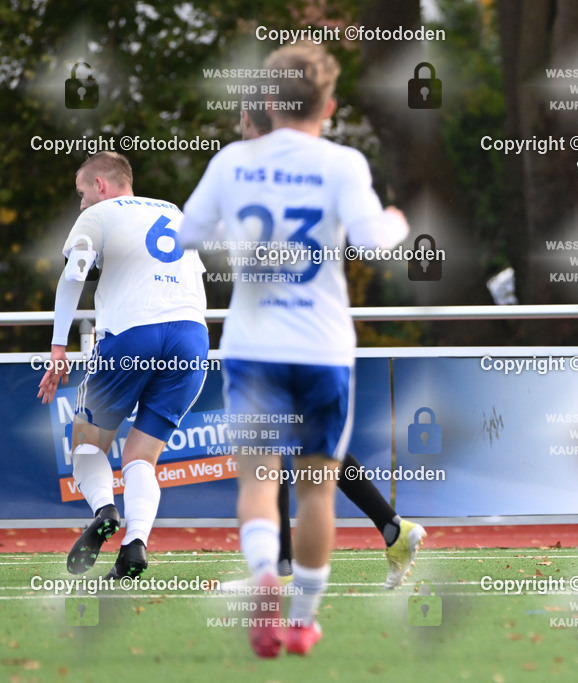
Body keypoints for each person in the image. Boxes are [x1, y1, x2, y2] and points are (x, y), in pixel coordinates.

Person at [179, 43, 418, 658]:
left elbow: (185, 235)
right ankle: (305, 620)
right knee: (317, 486)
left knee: (259, 479)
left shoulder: (233, 161)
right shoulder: (342, 163)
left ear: (267, 102)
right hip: (322, 346)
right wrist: (394, 217)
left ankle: (263, 574)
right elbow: (374, 244)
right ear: (330, 106)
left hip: (254, 345)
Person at [237, 92, 426, 588]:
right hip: (318, 337)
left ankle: (279, 568)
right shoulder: (319, 169)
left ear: (261, 124)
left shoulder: (251, 176)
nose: (239, 132)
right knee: (314, 446)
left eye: (243, 122)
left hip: (282, 337)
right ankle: (392, 527)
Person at [37, 151, 209, 579]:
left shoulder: (101, 214)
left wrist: (58, 347)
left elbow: (75, 273)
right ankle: (136, 546)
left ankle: (103, 509)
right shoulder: (176, 212)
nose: (80, 204)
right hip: (192, 339)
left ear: (100, 185)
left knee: (85, 442)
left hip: (133, 334)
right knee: (141, 457)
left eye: (81, 193)